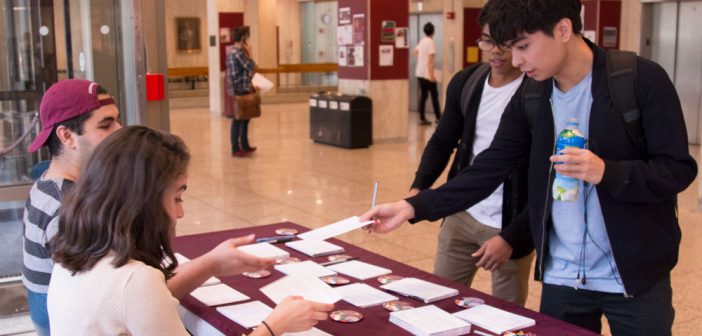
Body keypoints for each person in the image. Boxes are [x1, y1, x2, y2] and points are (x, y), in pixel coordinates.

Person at [361, 0, 697, 334]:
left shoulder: (638, 80)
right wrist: (411, 206)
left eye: (523, 46)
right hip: (562, 280)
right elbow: (487, 169)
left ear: (563, 29)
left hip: (635, 278)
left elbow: (678, 169)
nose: (517, 61)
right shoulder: (532, 96)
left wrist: (606, 172)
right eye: (510, 48)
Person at [21, 79, 274, 335]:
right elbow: (130, 295)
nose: (119, 131)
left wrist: (211, 263)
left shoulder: (49, 187)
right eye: (106, 125)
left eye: (117, 120)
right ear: (66, 136)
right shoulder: (68, 209)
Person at [46, 126, 333, 335]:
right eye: (177, 198)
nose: (180, 213)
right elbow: (139, 294)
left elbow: (139, 301)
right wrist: (275, 326)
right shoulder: (136, 281)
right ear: (142, 202)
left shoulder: (72, 252)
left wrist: (212, 263)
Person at [408, 18, 533, 306]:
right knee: (439, 300)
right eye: (488, 41)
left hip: (509, 219)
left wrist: (513, 237)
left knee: (507, 313)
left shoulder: (536, 91)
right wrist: (419, 187)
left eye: (505, 43)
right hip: (461, 212)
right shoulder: (468, 81)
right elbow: (442, 141)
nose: (495, 51)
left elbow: (543, 175)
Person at [226, 26, 257, 157]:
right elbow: (252, 66)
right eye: (246, 37)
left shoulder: (233, 52)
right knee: (238, 119)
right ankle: (236, 148)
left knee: (245, 118)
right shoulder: (238, 53)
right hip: (240, 89)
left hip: (240, 88)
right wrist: (250, 52)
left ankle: (244, 145)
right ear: (243, 38)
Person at [414, 22, 441, 125]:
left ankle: (422, 118)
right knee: (434, 95)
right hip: (427, 74)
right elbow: (430, 60)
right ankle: (439, 117)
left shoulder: (422, 41)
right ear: (433, 31)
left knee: (424, 95)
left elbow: (414, 52)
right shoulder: (430, 42)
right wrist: (431, 75)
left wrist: (421, 60)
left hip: (419, 72)